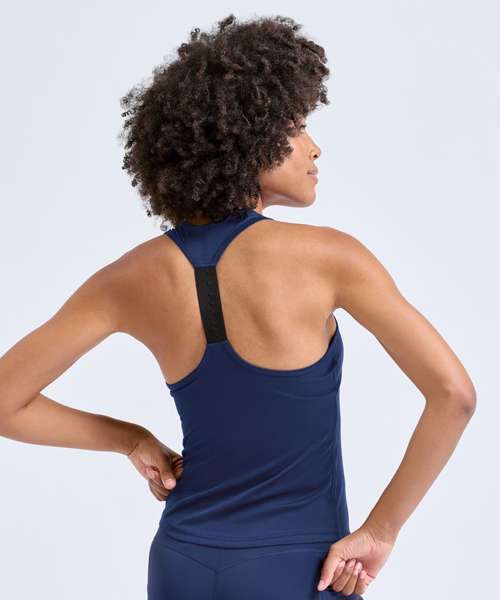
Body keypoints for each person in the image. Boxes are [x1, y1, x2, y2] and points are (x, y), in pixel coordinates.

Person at [0, 13, 476, 600]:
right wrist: (380, 532)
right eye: (295, 127)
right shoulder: (332, 258)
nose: (314, 146)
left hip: (181, 563)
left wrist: (130, 438)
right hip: (301, 568)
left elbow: (5, 401)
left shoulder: (129, 278)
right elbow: (454, 395)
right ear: (245, 138)